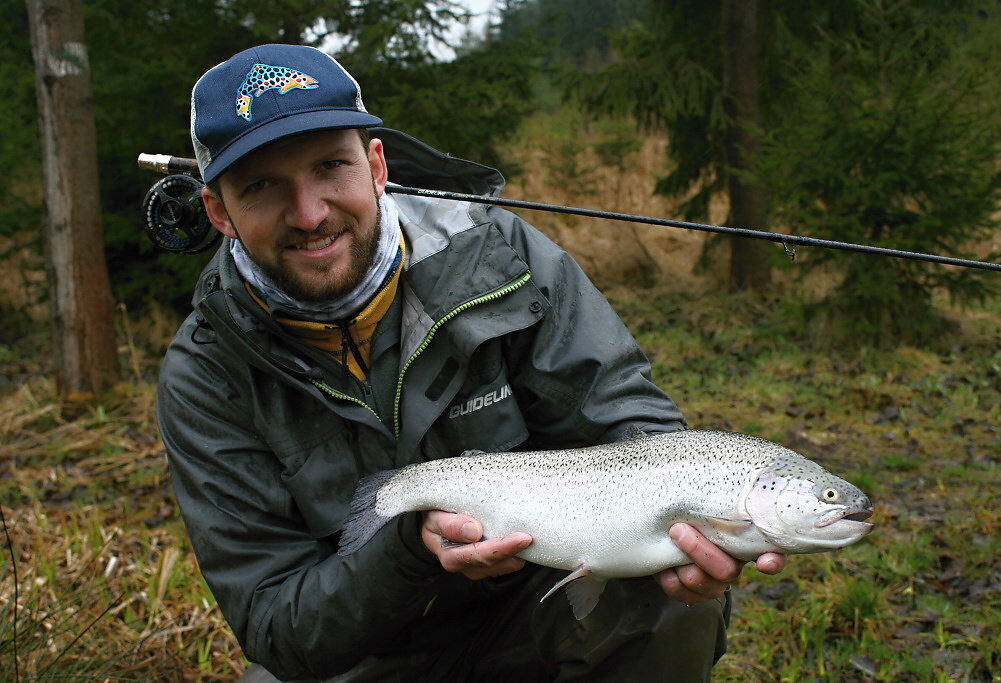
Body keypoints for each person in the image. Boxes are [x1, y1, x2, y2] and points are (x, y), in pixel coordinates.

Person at [157, 43, 786, 683]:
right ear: (218, 212)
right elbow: (276, 628)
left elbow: (631, 427)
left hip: (535, 605)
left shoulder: (501, 260)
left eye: (330, 167)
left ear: (376, 166)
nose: (311, 213)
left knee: (659, 603)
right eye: (262, 186)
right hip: (367, 656)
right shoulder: (206, 374)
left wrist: (683, 533)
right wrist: (412, 548)